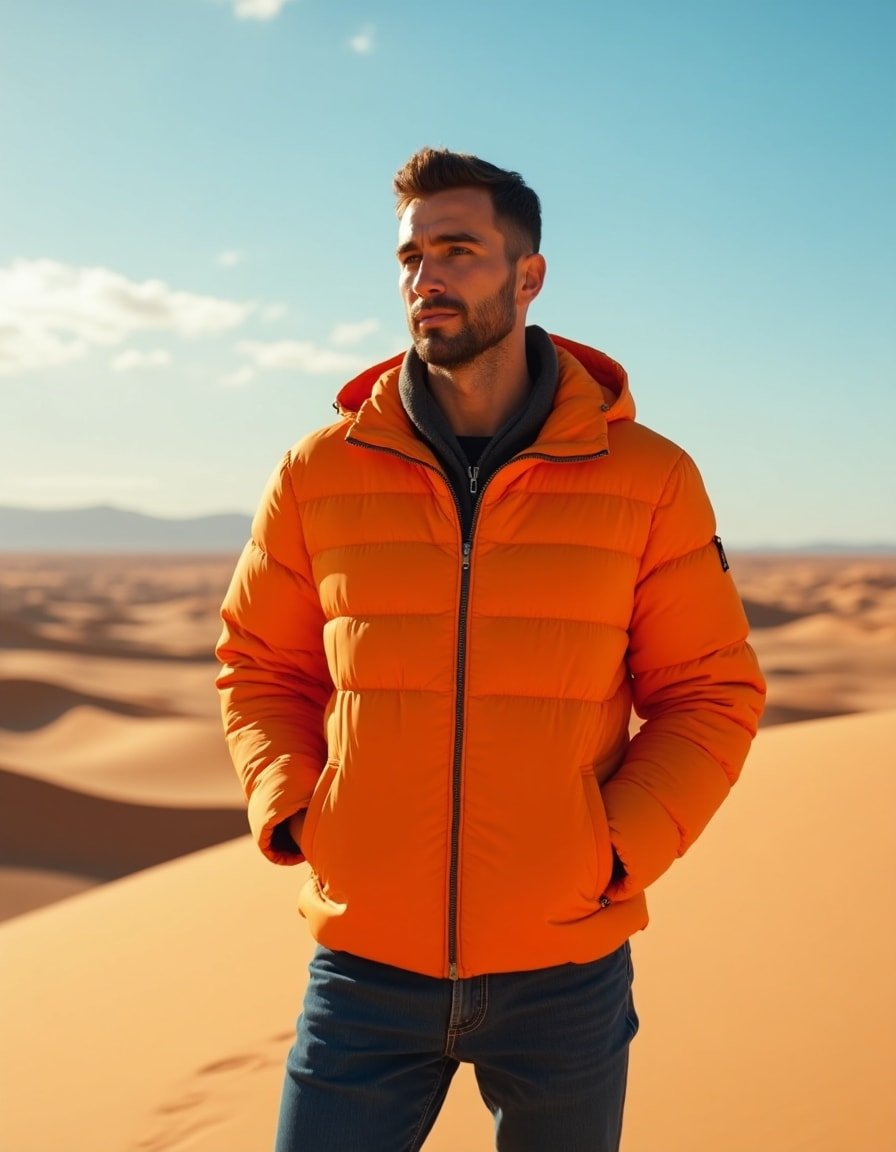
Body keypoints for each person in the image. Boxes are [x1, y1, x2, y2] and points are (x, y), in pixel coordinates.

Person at [215, 147, 766, 1152]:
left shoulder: (647, 477)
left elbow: (709, 693)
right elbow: (259, 667)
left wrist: (611, 853)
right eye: (410, 255)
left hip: (563, 975)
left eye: (457, 250)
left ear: (528, 274)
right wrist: (299, 810)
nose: (425, 276)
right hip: (364, 969)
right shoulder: (318, 472)